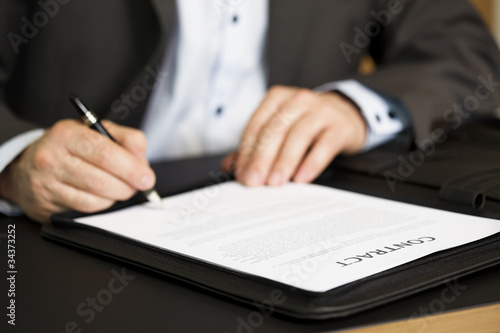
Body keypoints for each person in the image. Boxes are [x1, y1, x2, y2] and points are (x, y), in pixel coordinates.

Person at [1, 0, 500, 223]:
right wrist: (16, 160)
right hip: (63, 229)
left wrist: (353, 107)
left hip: (292, 213)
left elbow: (468, 54)